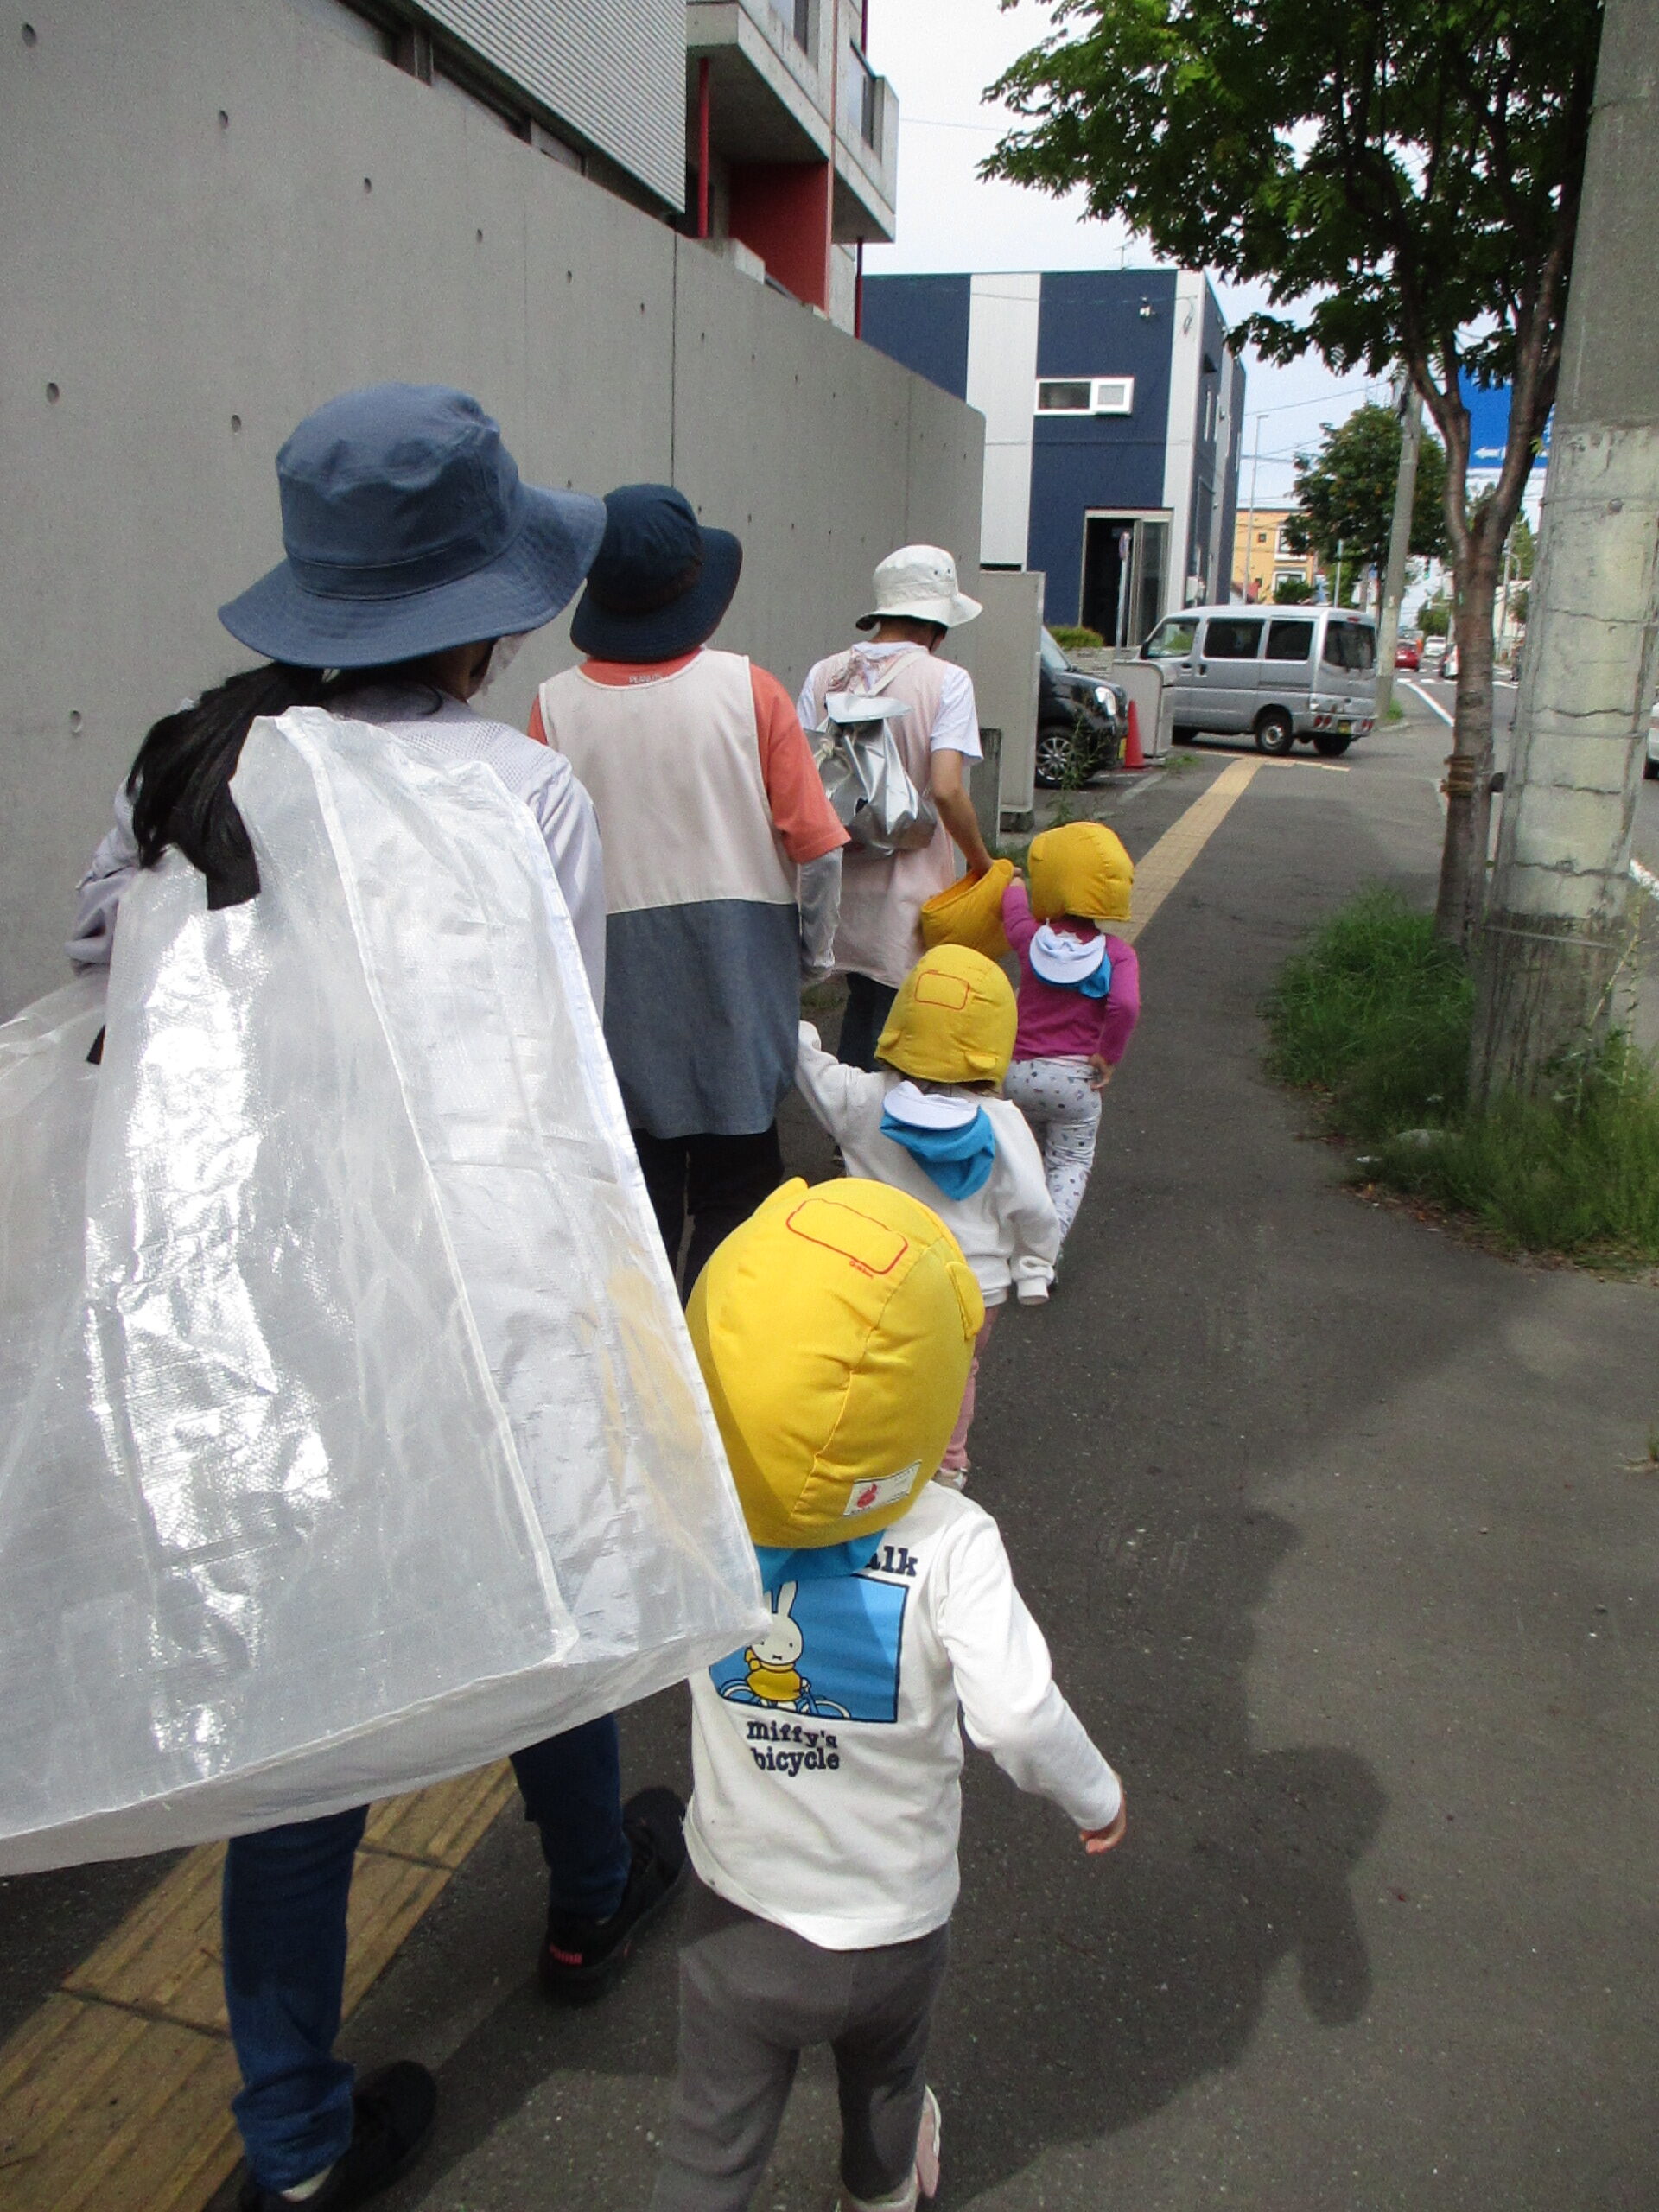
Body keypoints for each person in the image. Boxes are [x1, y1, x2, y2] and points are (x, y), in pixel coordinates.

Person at [67, 385, 689, 2212]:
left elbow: (108, 965)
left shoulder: (195, 762)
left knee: (307, 1708)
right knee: (540, 1592)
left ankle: (293, 2146)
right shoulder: (523, 790)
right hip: (472, 1297)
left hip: (258, 1309)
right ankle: (590, 1898)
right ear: (484, 617)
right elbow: (552, 1061)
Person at [650, 1177, 1126, 2212]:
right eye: (963, 1368)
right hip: (891, 1925)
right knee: (886, 2086)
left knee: (710, 2139)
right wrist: (1097, 1797)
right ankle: (881, 2194)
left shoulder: (689, 1519)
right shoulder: (954, 1544)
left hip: (735, 1909)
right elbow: (1020, 1715)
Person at [531, 484, 848, 1292]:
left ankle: (646, 1355)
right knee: (740, 1205)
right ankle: (722, 1350)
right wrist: (810, 955)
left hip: (615, 993)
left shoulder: (555, 708)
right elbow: (817, 853)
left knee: (634, 1214)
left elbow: (538, 870)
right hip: (737, 976)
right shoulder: (752, 691)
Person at [793, 942, 1058, 1485]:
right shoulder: (1005, 1124)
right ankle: (948, 1463)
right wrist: (1034, 1266)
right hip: (972, 1288)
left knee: (873, 1368)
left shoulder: (864, 1100)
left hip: (879, 1279)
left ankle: (868, 1459)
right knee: (957, 1373)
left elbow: (811, 1069)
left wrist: (792, 1024)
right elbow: (1034, 1207)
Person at [798, 547, 995, 1072]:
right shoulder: (947, 681)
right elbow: (947, 790)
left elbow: (800, 776)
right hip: (907, 881)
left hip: (837, 873)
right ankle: (874, 1122)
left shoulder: (824, 675)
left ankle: (847, 1113)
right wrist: (983, 865)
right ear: (938, 623)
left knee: (862, 1004)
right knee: (896, 1020)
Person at [1000, 822, 1141, 1245]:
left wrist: (1014, 882)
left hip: (1017, 1076)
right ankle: (1044, 1251)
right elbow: (1125, 1005)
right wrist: (1107, 1055)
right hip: (1074, 1083)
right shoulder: (1117, 954)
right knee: (1069, 1163)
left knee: (1025, 1161)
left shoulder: (1031, 940)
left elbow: (1014, 914)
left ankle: (1010, 1239)